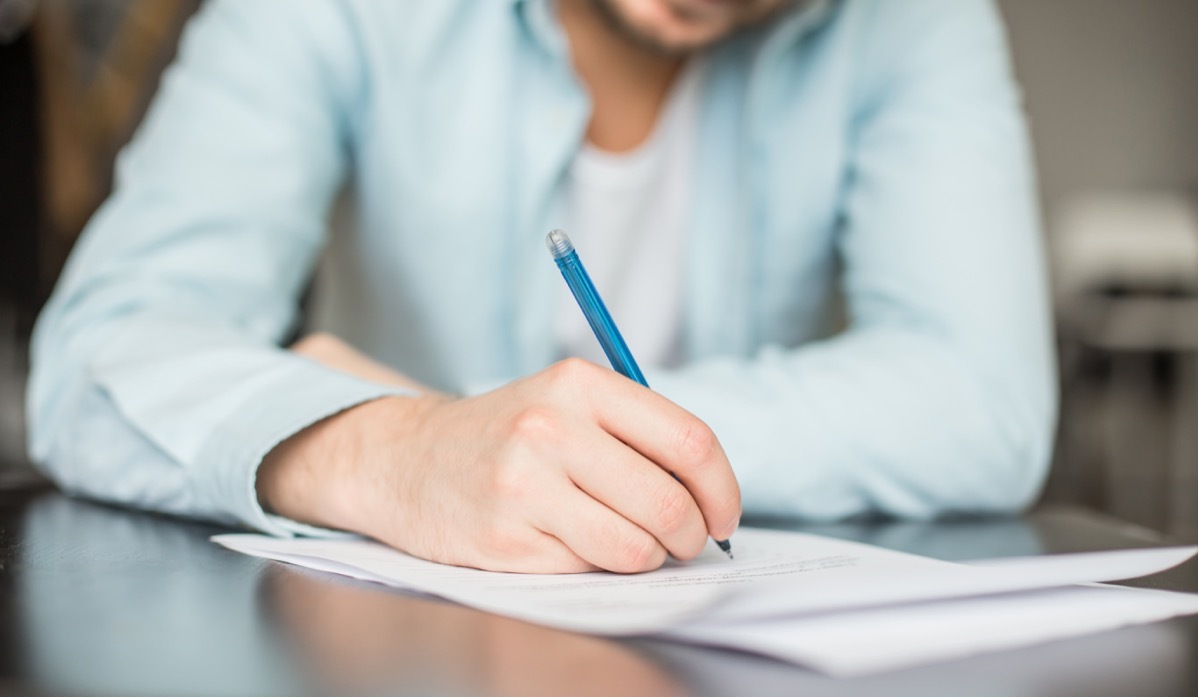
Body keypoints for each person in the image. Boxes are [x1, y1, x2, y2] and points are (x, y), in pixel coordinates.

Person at [27, 0, 1056, 574]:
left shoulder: (911, 21)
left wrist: (557, 447)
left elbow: (982, 400)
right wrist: (397, 449)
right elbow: (96, 359)